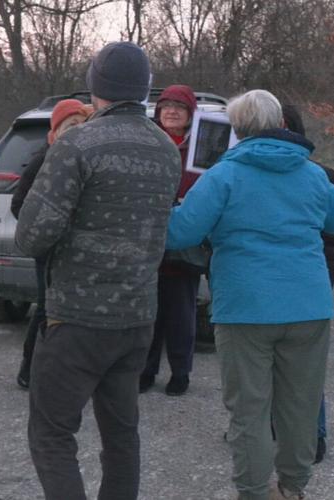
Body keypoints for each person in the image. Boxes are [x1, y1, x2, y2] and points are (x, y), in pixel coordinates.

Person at [15, 42, 182, 500]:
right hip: (136, 317)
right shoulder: (166, 149)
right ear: (144, 89)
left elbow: (31, 236)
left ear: (96, 87)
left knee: (51, 434)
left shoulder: (77, 143)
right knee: (121, 434)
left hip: (77, 318)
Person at [165, 90, 334, 500]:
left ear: (238, 130)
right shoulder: (312, 174)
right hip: (308, 307)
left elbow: (181, 233)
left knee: (249, 411)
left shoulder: (222, 176)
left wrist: (169, 207)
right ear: (281, 124)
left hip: (244, 308)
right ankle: (293, 488)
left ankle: (252, 491)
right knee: (300, 407)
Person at [10, 98, 91, 389]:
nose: (77, 131)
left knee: (73, 314)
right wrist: (48, 226)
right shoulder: (42, 161)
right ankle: (29, 369)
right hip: (48, 251)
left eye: (82, 125)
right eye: (71, 126)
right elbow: (19, 206)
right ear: (55, 132)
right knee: (46, 310)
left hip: (77, 251)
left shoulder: (86, 159)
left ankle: (66, 370)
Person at [282, 104, 334, 465]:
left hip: (308, 286)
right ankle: (265, 426)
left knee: (304, 367)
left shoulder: (322, 177)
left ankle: (314, 433)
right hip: (274, 285)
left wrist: (324, 275)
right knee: (266, 362)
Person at [140, 84, 203, 396]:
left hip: (185, 247)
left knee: (181, 316)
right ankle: (146, 369)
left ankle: (180, 372)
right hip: (148, 244)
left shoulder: (202, 148)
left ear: (190, 113)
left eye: (180, 106)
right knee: (148, 315)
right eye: (166, 106)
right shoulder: (146, 142)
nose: (172, 111)